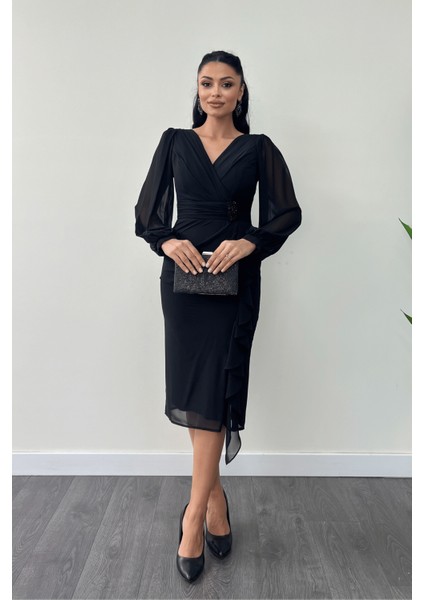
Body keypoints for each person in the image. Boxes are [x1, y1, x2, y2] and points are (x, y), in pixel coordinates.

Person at [134, 50, 302, 582]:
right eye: (206, 83)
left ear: (241, 91)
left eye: (226, 84)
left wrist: (249, 241)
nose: (215, 92)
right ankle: (213, 501)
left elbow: (287, 212)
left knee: (216, 387)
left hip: (234, 283)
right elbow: (147, 212)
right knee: (196, 388)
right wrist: (167, 241)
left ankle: (192, 518)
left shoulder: (258, 148)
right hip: (183, 282)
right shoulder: (174, 141)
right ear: (197, 88)